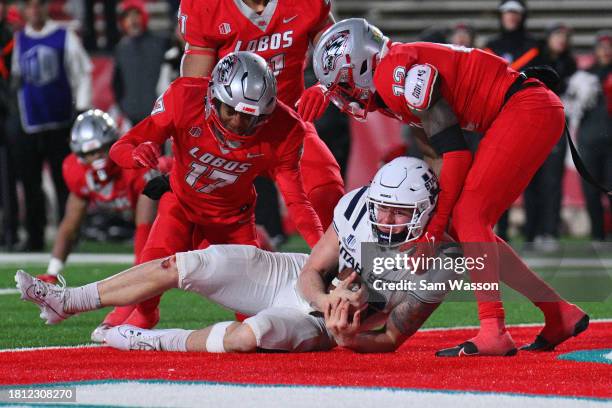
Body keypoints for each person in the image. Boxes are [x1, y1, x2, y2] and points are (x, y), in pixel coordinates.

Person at [311, 18, 589, 356]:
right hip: (521, 109)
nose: (345, 97)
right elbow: (437, 157)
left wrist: (433, 231)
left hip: (525, 109)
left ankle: (494, 330)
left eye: (343, 85)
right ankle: (558, 313)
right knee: (464, 225)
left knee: (469, 216)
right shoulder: (392, 75)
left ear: (360, 65)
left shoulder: (393, 76)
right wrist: (434, 218)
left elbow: (456, 154)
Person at [16, 157, 460, 354]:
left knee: (252, 335)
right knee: (189, 262)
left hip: (320, 326)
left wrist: (346, 336)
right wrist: (327, 298)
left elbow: (390, 341)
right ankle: (68, 300)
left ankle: (147, 340)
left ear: (424, 212)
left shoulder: (441, 263)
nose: (384, 216)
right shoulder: (359, 204)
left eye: (398, 211)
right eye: (381, 205)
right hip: (299, 283)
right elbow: (311, 272)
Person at [107, 51, 323, 330]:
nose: (236, 122)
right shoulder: (184, 98)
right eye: (230, 111)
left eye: (248, 117)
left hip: (233, 220)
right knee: (150, 277)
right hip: (181, 204)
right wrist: (137, 153)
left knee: (252, 312)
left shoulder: (286, 128)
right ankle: (145, 313)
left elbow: (297, 202)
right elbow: (120, 148)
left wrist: (322, 251)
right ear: (213, 98)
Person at [176, 0, 344, 230]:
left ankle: (351, 264)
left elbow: (341, 55)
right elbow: (193, 91)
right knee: (193, 224)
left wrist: (325, 86)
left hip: (287, 128)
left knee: (327, 192)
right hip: (226, 132)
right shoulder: (208, 6)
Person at [30, 110, 161, 341]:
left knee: (173, 258)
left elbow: (145, 226)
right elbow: (70, 224)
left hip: (172, 211)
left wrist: (137, 278)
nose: (98, 158)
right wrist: (52, 272)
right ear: (79, 155)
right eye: (90, 153)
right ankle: (139, 311)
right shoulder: (76, 171)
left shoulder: (133, 165)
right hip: (141, 215)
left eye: (102, 149)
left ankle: (134, 310)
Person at [11, 0, 92, 251]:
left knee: (65, 182)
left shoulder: (64, 36)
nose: (35, 11)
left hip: (60, 122)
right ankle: (34, 238)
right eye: (30, 6)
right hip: (29, 123)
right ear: (24, 11)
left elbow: (82, 73)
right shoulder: (18, 40)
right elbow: (15, 78)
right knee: (30, 183)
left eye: (39, 5)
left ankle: (70, 236)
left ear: (47, 8)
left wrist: (80, 111)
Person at [484, 0, 539, 241]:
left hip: (530, 118)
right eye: (507, 13)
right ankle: (500, 231)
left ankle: (535, 232)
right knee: (499, 177)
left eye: (516, 13)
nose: (512, 17)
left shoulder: (535, 46)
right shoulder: (490, 47)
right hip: (500, 119)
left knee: (534, 177)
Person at [523, 23, 576, 251]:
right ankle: (532, 232)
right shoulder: (536, 59)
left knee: (552, 182)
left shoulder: (570, 64)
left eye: (565, 36)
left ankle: (549, 232)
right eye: (557, 35)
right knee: (530, 181)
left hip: (556, 128)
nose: (561, 40)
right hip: (532, 127)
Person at [113, 0, 167, 126]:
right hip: (132, 115)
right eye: (128, 16)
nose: (132, 20)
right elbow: (117, 83)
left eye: (136, 14)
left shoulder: (160, 43)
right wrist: (124, 108)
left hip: (157, 114)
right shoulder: (121, 48)